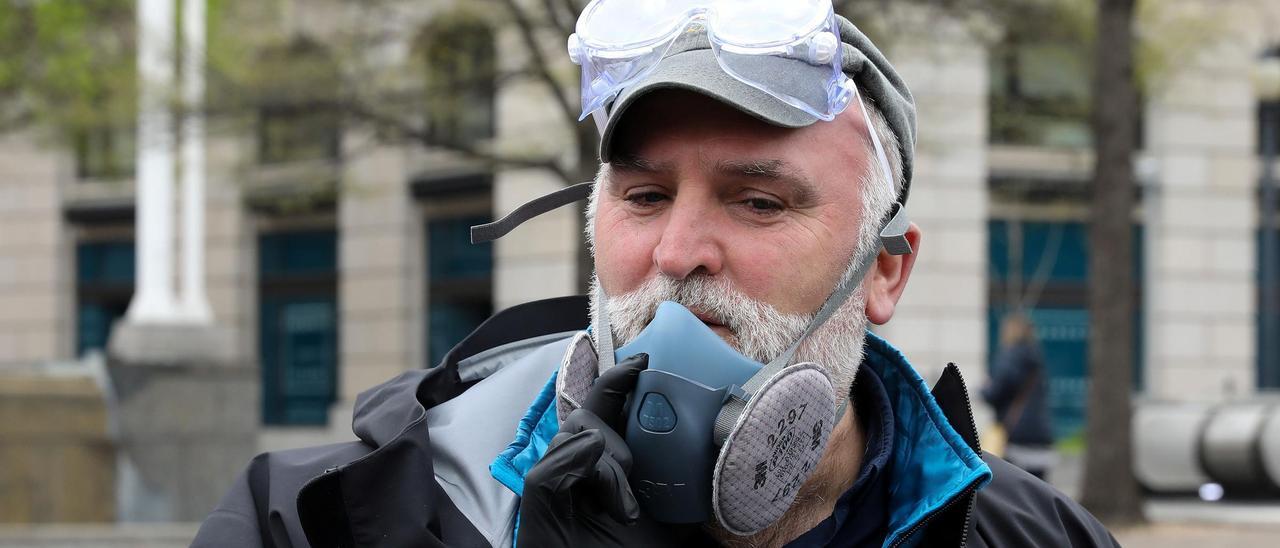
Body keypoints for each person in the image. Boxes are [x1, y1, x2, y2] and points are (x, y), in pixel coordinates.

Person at [194, 3, 1119, 547]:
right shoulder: (327, 519)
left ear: (883, 273)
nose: (677, 254)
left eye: (759, 202)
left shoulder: (1033, 536)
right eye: (643, 196)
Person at [982, 313, 1057, 480]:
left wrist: (984, 389)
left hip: (1017, 435)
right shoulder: (1036, 358)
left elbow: (996, 392)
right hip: (1041, 436)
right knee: (1038, 491)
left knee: (1013, 491)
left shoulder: (1009, 357)